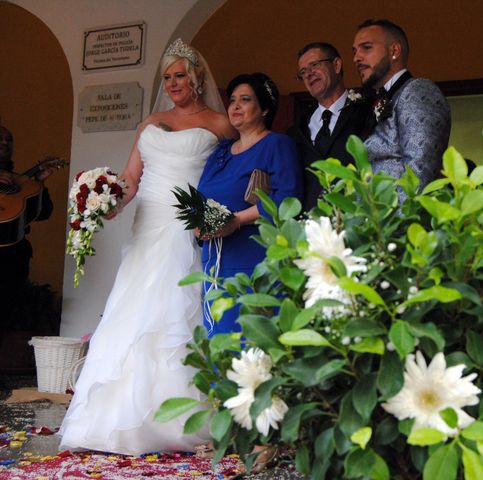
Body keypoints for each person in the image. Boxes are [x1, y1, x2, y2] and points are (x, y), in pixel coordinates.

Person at [58, 38, 236, 456]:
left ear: (196, 78)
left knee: (176, 309)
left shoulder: (220, 123)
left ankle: (181, 420)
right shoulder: (150, 122)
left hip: (186, 222)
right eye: (167, 78)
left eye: (179, 76)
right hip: (147, 224)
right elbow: (131, 178)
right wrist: (102, 203)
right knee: (133, 308)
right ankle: (112, 420)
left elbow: (235, 171)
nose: (173, 83)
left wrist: (219, 217)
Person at [198, 73, 303, 337]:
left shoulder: (276, 144)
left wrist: (237, 220)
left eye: (245, 100)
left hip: (253, 256)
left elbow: (287, 199)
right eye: (232, 100)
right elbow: (199, 196)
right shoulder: (220, 153)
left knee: (250, 338)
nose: (235, 106)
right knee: (219, 336)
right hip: (215, 260)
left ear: (265, 108)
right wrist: (197, 224)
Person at [353, 19, 451, 202]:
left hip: (398, 225)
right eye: (355, 50)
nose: (356, 57)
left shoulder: (418, 90)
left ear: (394, 51)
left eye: (366, 47)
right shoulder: (382, 97)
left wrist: (390, 226)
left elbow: (420, 171)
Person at [287, 42, 372, 211]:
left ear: (336, 65)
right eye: (303, 72)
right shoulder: (296, 130)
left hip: (357, 219)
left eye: (314, 65)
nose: (309, 74)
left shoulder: (368, 113)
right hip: (311, 226)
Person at [0, 123, 54, 328]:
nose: (5, 142)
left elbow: (44, 212)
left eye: (9, 139)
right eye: (0, 138)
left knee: (5, 316)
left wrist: (40, 184)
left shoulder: (21, 182)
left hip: (12, 259)